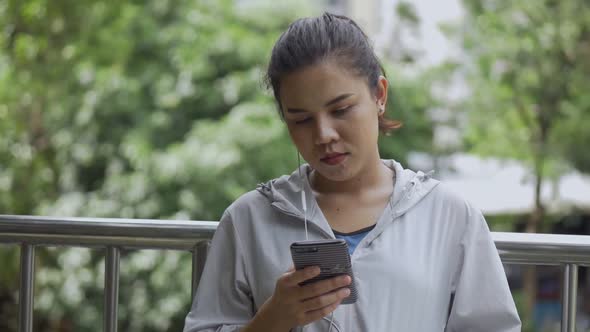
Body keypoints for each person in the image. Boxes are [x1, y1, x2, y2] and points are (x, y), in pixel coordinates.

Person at [184, 13, 521, 332]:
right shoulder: (248, 220)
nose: (323, 134)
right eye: (301, 119)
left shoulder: (449, 215)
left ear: (380, 95)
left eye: (341, 109)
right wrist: (274, 318)